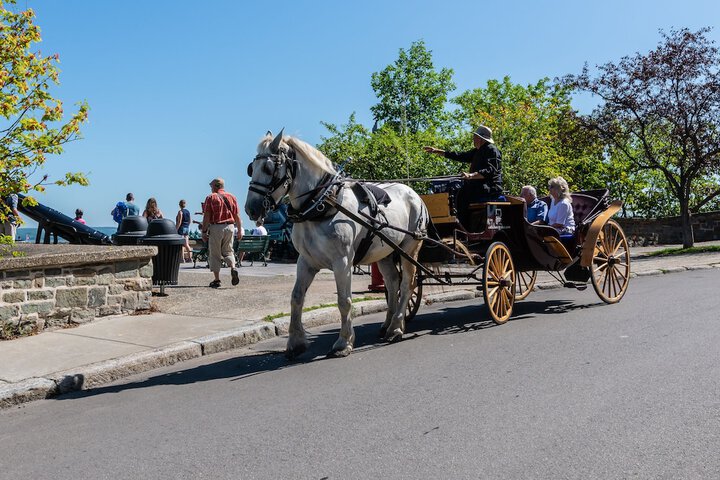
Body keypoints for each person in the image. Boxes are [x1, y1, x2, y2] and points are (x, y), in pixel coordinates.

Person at [424, 125, 503, 228]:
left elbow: (490, 170)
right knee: (455, 192)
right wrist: (437, 151)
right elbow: (460, 155)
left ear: (480, 138)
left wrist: (471, 175)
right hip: (478, 187)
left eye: (475, 137)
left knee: (461, 195)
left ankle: (463, 227)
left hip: (490, 188)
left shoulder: (492, 150)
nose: (473, 139)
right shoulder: (477, 151)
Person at [202, 177, 242, 288]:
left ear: (216, 186)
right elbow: (237, 216)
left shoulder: (210, 197)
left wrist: (204, 231)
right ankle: (233, 267)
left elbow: (207, 217)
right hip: (230, 227)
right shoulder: (232, 197)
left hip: (216, 227)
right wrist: (239, 230)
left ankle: (217, 279)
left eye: (211, 186)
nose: (210, 188)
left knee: (215, 254)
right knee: (228, 251)